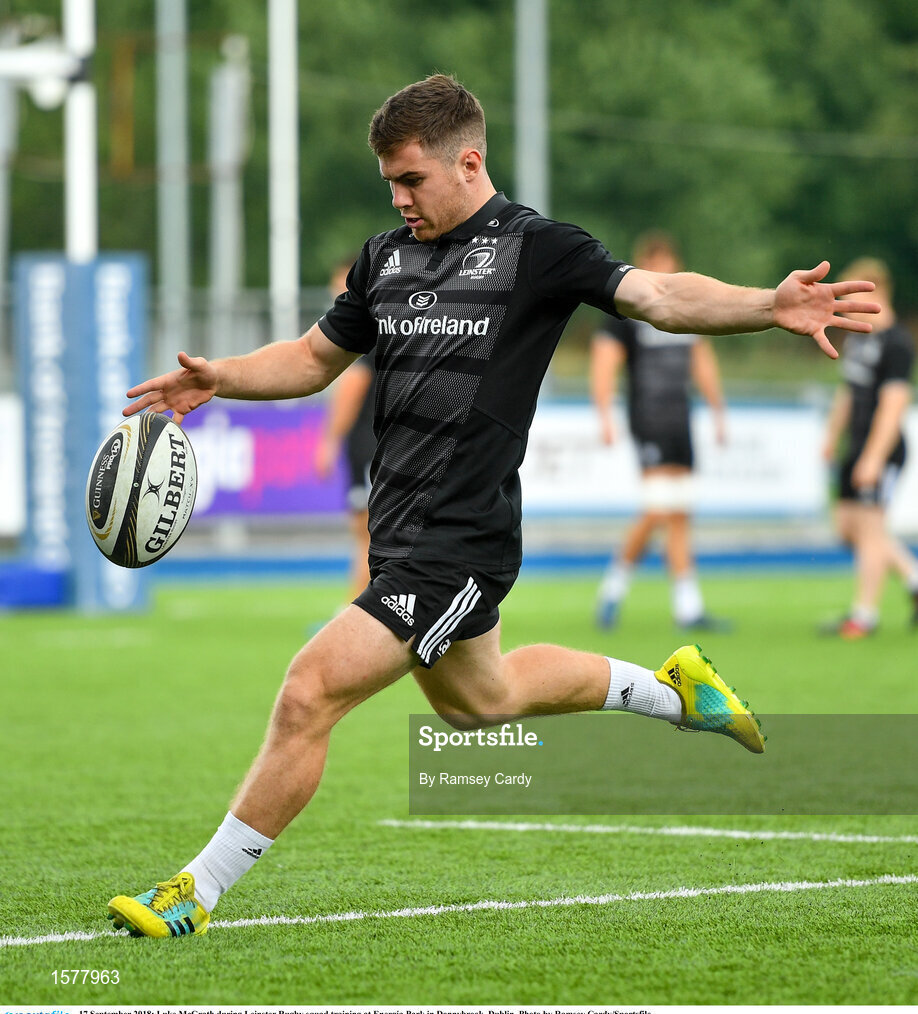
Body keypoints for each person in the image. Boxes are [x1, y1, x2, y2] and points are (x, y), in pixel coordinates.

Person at [106, 74, 879, 939]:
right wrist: (223, 378)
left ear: (467, 162)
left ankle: (196, 893)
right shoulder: (383, 258)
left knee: (308, 692)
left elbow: (659, 298)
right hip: (403, 533)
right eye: (389, 184)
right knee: (485, 700)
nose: (398, 199)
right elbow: (314, 358)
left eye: (411, 180)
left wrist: (765, 305)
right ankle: (671, 690)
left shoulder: (537, 248)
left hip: (461, 541)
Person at [591, 230, 729, 631]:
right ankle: (612, 589)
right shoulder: (627, 312)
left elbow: (701, 360)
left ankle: (688, 607)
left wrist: (718, 409)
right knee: (657, 511)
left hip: (680, 420)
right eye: (658, 263)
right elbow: (604, 363)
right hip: (647, 418)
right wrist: (603, 414)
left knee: (681, 511)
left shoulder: (687, 310)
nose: (665, 271)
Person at [820, 257, 918, 638]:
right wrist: (832, 436)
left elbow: (894, 406)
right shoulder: (860, 337)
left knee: (872, 530)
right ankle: (912, 578)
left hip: (882, 449)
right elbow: (849, 392)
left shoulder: (896, 343)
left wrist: (873, 458)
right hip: (856, 445)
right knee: (848, 528)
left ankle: (864, 615)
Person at [314, 254, 377, 602]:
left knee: (368, 535)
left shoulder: (363, 328)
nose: (336, 293)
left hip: (369, 447)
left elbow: (354, 383)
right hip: (378, 445)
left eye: (342, 285)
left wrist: (328, 442)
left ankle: (359, 615)